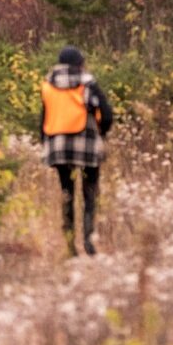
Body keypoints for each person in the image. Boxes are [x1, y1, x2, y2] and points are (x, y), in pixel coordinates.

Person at [41, 46, 113, 257]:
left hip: (59, 146)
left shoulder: (48, 84)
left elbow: (43, 117)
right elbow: (106, 113)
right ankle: (89, 242)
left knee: (67, 193)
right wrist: (102, 132)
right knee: (90, 193)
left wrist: (45, 142)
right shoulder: (87, 83)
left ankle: (70, 246)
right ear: (80, 62)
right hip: (86, 144)